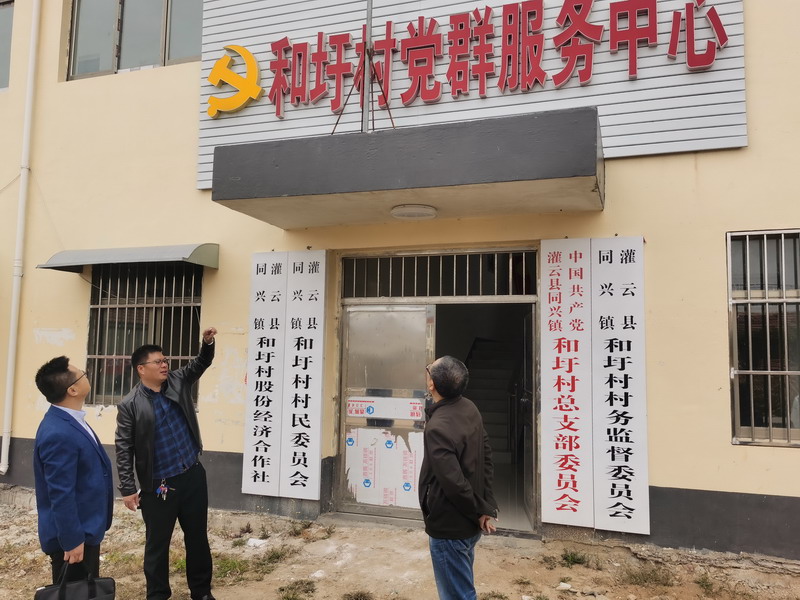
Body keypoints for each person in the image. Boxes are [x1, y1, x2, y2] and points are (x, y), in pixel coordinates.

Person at [115, 327, 218, 600]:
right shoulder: (130, 405)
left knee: (197, 537)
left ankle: (201, 592)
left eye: (165, 360)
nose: (164, 365)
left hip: (192, 475)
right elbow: (124, 447)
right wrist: (127, 488)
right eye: (158, 361)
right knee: (157, 545)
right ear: (141, 369)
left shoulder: (178, 380)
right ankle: (158, 595)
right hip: (160, 485)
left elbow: (201, 362)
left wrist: (207, 343)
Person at [418, 355, 499, 600]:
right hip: (469, 521)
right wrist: (485, 507)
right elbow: (486, 456)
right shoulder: (469, 407)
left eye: (429, 369)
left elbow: (453, 484)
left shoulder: (438, 427)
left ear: (432, 384)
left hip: (450, 526)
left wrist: (478, 510)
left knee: (458, 595)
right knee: (461, 585)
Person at [33, 356, 114, 584]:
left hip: (86, 527)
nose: (88, 375)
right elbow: (60, 492)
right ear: (73, 390)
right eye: (83, 374)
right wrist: (72, 539)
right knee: (74, 591)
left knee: (85, 591)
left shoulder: (71, 420)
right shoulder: (58, 432)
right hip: (72, 538)